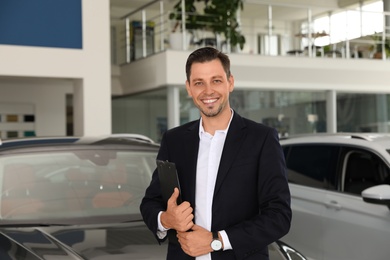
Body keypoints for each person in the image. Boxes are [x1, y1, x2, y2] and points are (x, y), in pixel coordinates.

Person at [140, 47, 291, 260]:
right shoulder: (174, 140)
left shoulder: (262, 139)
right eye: (199, 82)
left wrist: (217, 240)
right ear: (189, 88)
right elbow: (150, 202)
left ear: (230, 82)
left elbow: (279, 216)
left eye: (216, 80)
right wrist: (166, 219)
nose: (208, 91)